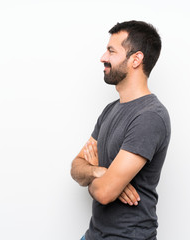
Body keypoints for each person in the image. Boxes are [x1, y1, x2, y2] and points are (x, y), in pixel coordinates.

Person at [71, 20, 171, 240]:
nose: (103, 57)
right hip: (93, 235)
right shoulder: (111, 110)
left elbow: (105, 193)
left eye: (111, 51)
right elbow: (76, 168)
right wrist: (99, 171)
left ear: (136, 59)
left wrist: (98, 173)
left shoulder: (149, 116)